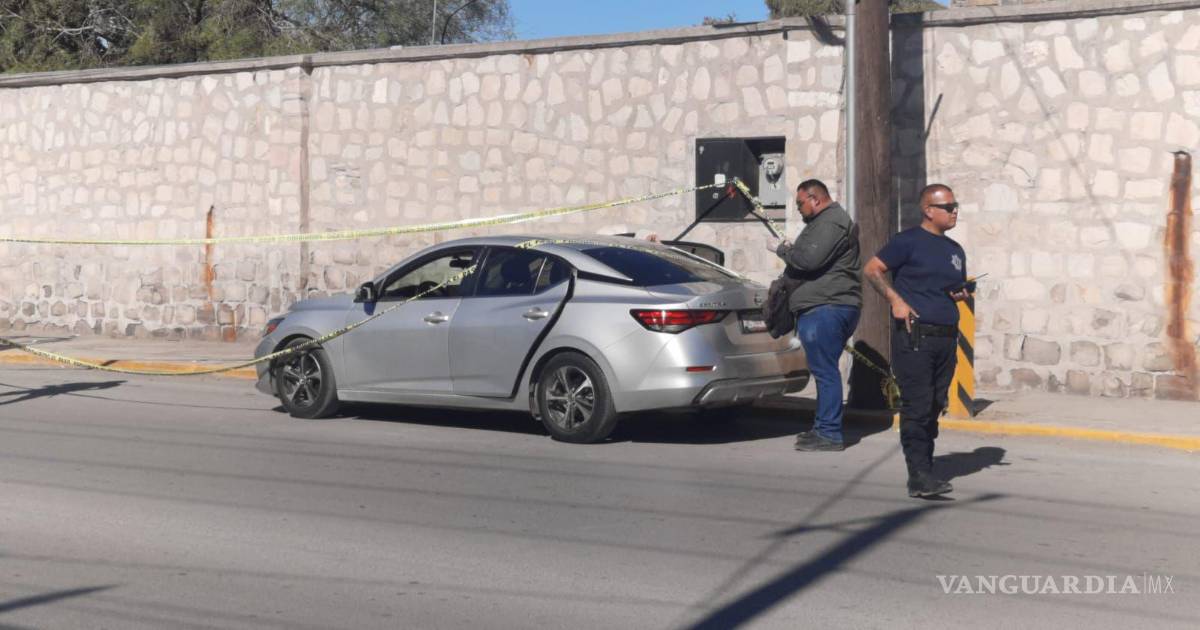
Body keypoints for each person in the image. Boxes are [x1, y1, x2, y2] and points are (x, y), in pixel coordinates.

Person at [863, 183, 970, 498]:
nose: (954, 211)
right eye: (948, 207)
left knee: (936, 403)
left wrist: (959, 294)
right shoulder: (907, 242)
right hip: (916, 337)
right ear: (928, 210)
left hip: (946, 338)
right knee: (918, 405)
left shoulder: (955, 250)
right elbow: (872, 269)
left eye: (955, 205)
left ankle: (925, 465)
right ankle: (919, 476)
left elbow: (948, 287)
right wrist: (895, 300)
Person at [773, 179, 862, 452]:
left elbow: (808, 260)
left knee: (825, 372)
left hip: (826, 306)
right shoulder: (826, 222)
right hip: (826, 306)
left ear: (815, 199)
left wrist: (782, 250)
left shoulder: (831, 221)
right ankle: (823, 427)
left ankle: (830, 433)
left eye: (800, 203)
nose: (798, 208)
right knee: (824, 371)